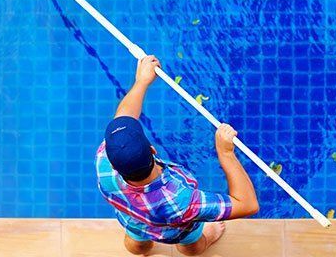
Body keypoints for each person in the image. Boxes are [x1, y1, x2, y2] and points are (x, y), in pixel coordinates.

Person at [95, 55, 259, 256]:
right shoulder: (181, 200)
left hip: (133, 219)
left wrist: (141, 82)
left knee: (136, 241)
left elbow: (123, 118)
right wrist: (225, 154)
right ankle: (198, 242)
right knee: (193, 245)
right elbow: (248, 204)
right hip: (175, 231)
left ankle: (140, 248)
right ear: (153, 150)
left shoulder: (104, 164)